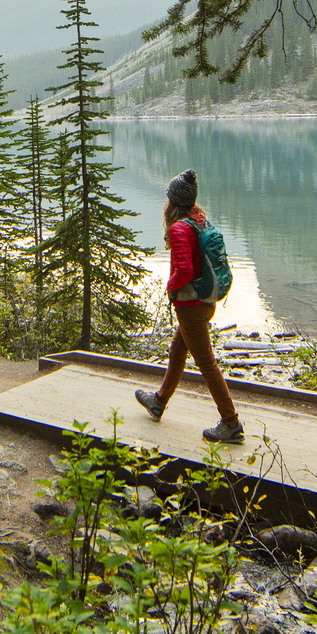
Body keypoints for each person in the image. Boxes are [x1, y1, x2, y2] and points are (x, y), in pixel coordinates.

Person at [134, 169, 244, 443]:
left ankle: (231, 423)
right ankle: (158, 402)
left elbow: (183, 271)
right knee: (177, 351)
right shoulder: (199, 220)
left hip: (191, 305)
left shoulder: (180, 228)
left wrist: (170, 286)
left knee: (206, 363)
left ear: (173, 202)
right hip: (205, 301)